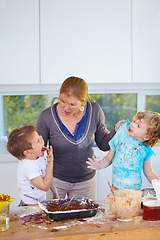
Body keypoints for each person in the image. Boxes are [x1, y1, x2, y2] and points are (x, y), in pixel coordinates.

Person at [36, 76, 125, 200]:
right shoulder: (46, 117)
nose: (65, 108)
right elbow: (38, 151)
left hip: (85, 182)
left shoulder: (94, 110)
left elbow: (103, 144)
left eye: (72, 104)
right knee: (54, 218)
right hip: (55, 180)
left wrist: (115, 131)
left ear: (83, 101)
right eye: (62, 101)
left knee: (84, 219)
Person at [87, 111, 160, 191]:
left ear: (146, 136)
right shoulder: (121, 136)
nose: (132, 124)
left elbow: (149, 172)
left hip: (134, 192)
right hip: (116, 189)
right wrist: (100, 165)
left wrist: (158, 185)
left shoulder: (146, 149)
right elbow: (109, 158)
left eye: (138, 126)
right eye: (134, 121)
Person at [7, 125, 56, 206]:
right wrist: (50, 164)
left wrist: (55, 194)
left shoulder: (41, 154)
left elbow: (48, 177)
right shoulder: (28, 166)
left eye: (39, 136)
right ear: (27, 153)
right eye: (37, 141)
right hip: (29, 207)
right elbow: (45, 186)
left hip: (41, 203)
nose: (42, 140)